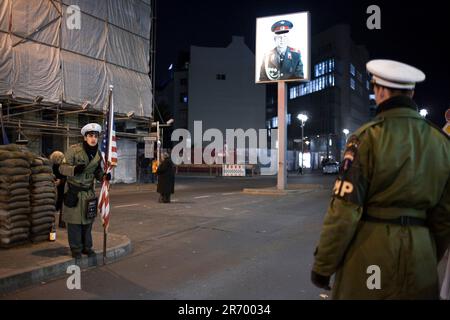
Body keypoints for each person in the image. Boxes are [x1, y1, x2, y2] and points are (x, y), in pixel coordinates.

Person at [311, 59, 450, 299]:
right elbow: (444, 217)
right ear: (412, 92)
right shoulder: (441, 142)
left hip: (371, 253)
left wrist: (323, 266)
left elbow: (344, 210)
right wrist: (425, 252)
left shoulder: (366, 138)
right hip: (421, 258)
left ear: (381, 91)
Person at [59, 123, 111, 259]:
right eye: (90, 136)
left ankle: (87, 247)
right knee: (74, 222)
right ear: (85, 137)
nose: (93, 138)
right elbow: (61, 168)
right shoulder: (74, 150)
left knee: (88, 222)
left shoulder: (98, 153)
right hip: (74, 191)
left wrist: (103, 176)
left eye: (95, 136)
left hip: (88, 192)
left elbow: (97, 171)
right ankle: (76, 249)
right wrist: (74, 169)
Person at [50, 151, 66, 228]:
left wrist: (60, 181)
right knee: (60, 203)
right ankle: (61, 222)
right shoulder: (56, 166)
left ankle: (61, 222)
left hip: (61, 186)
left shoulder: (61, 166)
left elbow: (66, 176)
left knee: (60, 203)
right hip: (58, 186)